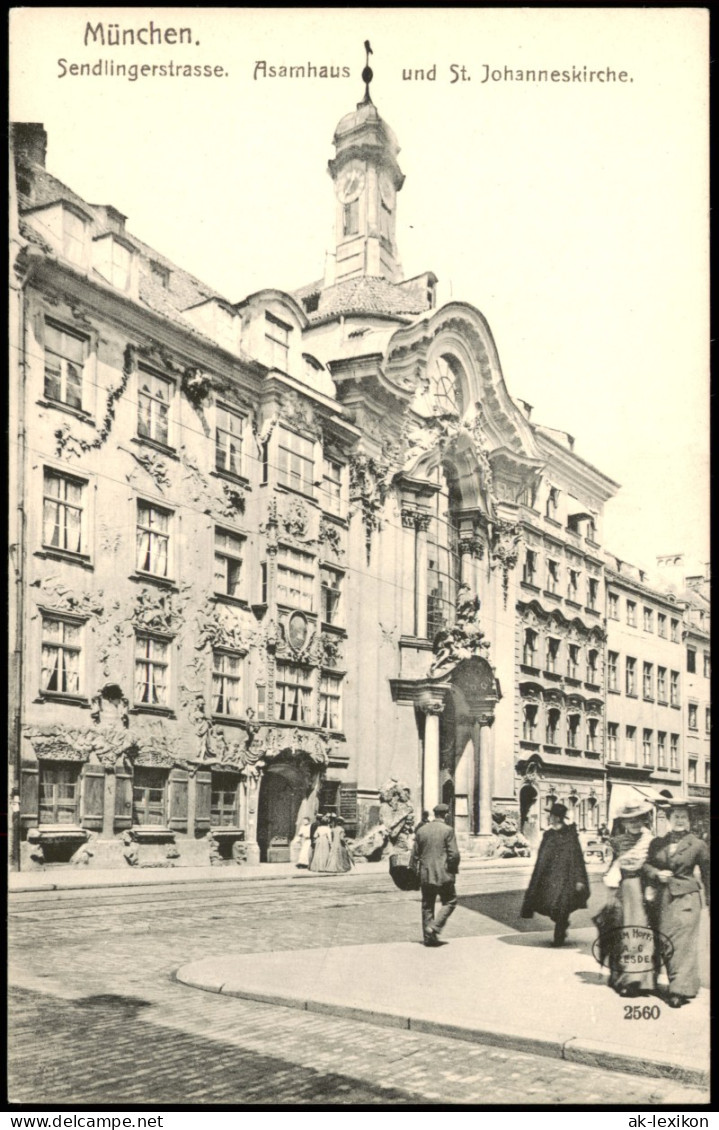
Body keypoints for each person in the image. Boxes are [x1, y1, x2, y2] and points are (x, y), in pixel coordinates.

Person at [643, 800, 710, 1008]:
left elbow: (708, 874)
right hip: (661, 900)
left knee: (682, 946)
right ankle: (655, 982)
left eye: (683, 817)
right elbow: (645, 865)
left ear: (689, 821)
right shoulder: (657, 843)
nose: (679, 821)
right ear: (669, 820)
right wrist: (656, 874)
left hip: (686, 899)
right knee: (663, 942)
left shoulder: (698, 844)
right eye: (675, 817)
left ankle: (679, 990)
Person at [593, 800, 656, 997]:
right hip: (623, 890)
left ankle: (640, 980)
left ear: (644, 820)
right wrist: (611, 893)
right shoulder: (618, 842)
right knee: (622, 935)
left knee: (642, 935)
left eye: (638, 820)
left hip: (645, 890)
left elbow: (655, 863)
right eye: (630, 821)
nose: (635, 824)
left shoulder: (651, 841)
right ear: (625, 823)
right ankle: (623, 979)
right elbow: (613, 868)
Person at [521, 802, 589, 946]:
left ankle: (559, 934)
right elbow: (542, 857)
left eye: (551, 815)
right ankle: (561, 923)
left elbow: (577, 858)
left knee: (563, 905)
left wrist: (579, 879)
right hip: (550, 878)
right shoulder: (548, 834)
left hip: (567, 878)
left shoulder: (570, 835)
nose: (549, 817)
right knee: (550, 905)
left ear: (558, 818)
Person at [408, 803, 460, 947]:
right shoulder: (448, 830)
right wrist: (452, 870)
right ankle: (435, 927)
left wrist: (415, 874)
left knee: (427, 905)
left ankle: (428, 939)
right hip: (443, 874)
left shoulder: (421, 830)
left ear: (434, 814)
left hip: (425, 874)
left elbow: (415, 855)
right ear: (446, 815)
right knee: (450, 901)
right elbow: (454, 854)